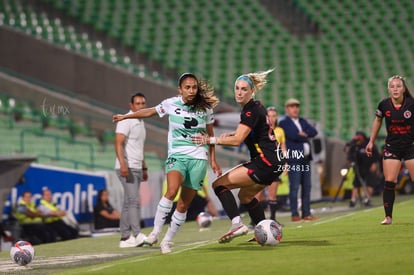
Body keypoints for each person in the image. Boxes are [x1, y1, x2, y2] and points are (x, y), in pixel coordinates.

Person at [113, 73, 221, 253]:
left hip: (198, 158)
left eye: (194, 87)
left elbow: (210, 135)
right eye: (187, 87)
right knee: (171, 191)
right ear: (180, 89)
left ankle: (167, 240)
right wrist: (126, 117)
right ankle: (155, 233)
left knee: (184, 205)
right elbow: (149, 111)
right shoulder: (171, 103)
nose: (191, 90)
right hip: (177, 155)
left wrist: (213, 159)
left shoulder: (205, 108)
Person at [192, 69, 284, 243]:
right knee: (245, 197)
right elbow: (251, 133)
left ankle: (237, 224)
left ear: (251, 92)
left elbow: (238, 140)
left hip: (264, 162)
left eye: (244, 89)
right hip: (274, 163)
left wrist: (209, 139)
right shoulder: (256, 108)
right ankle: (265, 231)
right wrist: (231, 134)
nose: (239, 92)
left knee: (219, 185)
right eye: (237, 88)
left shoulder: (250, 110)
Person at [365, 75, 414, 225]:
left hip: (411, 146)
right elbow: (378, 121)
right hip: (392, 147)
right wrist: (371, 141)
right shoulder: (383, 105)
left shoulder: (411, 104)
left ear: (404, 88)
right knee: (390, 181)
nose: (395, 89)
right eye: (392, 86)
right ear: (388, 89)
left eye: (398, 86)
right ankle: (388, 217)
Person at [114, 92, 148, 248]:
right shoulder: (126, 121)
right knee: (133, 200)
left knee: (129, 202)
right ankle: (137, 234)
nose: (141, 106)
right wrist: (123, 164)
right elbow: (118, 143)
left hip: (137, 166)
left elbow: (139, 147)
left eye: (143, 104)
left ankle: (125, 238)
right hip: (128, 166)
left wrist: (144, 166)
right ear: (131, 106)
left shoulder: (140, 121)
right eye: (138, 104)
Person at [279, 98, 318, 222]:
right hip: (294, 159)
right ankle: (294, 213)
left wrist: (303, 134)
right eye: (292, 106)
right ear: (287, 109)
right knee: (294, 186)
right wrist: (303, 135)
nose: (295, 109)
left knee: (307, 186)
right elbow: (293, 135)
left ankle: (306, 213)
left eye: (296, 106)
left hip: (306, 159)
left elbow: (314, 132)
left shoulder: (302, 121)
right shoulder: (284, 123)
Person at [253, 106, 287, 222]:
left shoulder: (280, 131)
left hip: (274, 165)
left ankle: (273, 219)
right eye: (269, 116)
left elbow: (282, 147)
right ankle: (255, 220)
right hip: (261, 164)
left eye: (274, 116)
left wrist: (285, 162)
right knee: (258, 194)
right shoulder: (260, 130)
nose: (271, 118)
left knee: (273, 195)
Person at [345, 131, 381, 207]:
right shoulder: (354, 145)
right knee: (356, 184)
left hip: (369, 166)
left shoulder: (369, 143)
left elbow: (376, 155)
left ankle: (367, 199)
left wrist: (374, 163)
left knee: (370, 183)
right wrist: (350, 161)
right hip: (359, 167)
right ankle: (353, 200)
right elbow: (350, 155)